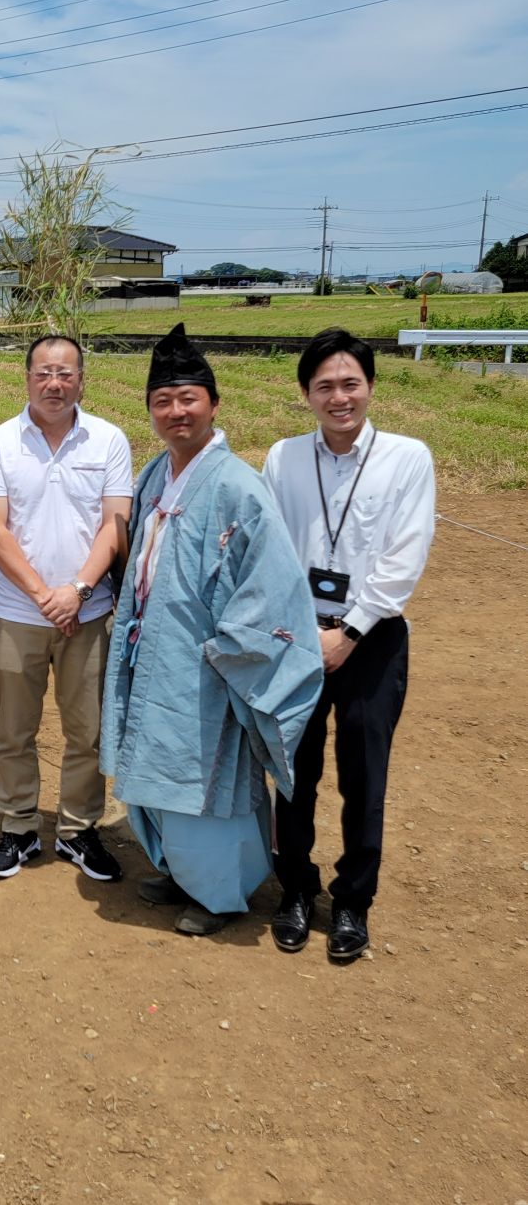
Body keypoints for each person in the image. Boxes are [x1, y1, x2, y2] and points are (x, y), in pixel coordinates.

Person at [100, 324, 323, 937]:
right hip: (152, 651)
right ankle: (179, 871)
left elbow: (270, 584)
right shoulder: (155, 474)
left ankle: (220, 894)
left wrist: (228, 649)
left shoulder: (237, 485)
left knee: (205, 776)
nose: (176, 412)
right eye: (162, 401)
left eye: (188, 399)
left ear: (214, 404)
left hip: (205, 661)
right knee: (158, 767)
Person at [261, 329, 435, 963]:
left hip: (373, 639)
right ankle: (296, 890)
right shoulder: (283, 458)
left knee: (364, 776)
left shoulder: (407, 458)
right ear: (306, 393)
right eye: (325, 386)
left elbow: (403, 558)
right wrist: (304, 632)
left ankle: (353, 901)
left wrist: (350, 632)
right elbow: (271, 546)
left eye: (350, 384)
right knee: (293, 773)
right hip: (298, 635)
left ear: (370, 386)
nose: (339, 398)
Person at [0, 334, 133, 882]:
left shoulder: (108, 440)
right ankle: (18, 827)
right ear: (27, 379)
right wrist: (45, 594)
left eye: (65, 373)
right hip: (16, 613)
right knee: (13, 730)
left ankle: (77, 829)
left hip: (88, 614)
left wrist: (78, 590)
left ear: (82, 381)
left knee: (86, 731)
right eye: (43, 372)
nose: (54, 383)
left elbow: (115, 523)